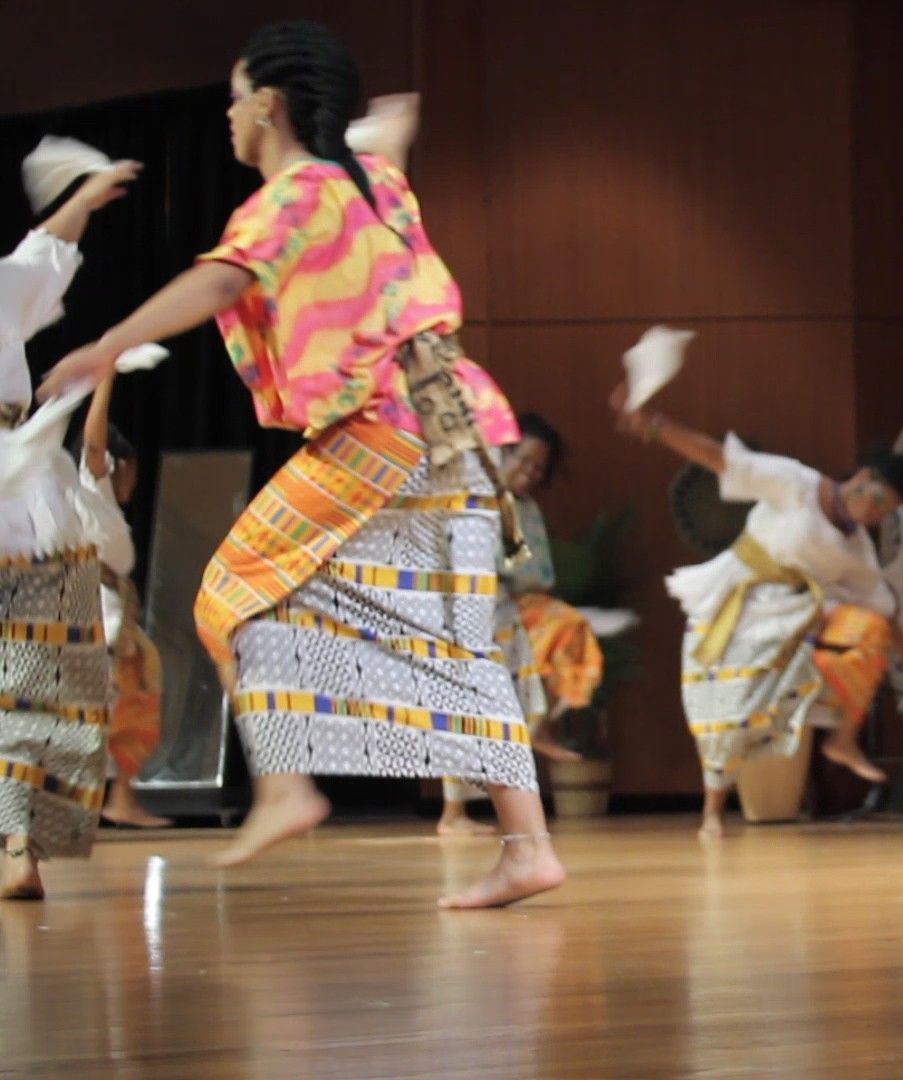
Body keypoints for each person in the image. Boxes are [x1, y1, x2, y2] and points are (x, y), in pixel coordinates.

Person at [38, 22, 562, 907]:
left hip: (382, 428)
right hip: (457, 424)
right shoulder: (375, 184)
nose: (229, 116)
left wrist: (108, 343)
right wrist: (391, 127)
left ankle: (285, 785)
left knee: (233, 590)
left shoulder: (289, 196)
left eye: (238, 96)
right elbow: (380, 149)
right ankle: (528, 847)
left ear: (270, 105)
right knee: (458, 643)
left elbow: (223, 281)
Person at [613, 399, 903, 838]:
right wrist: (657, 426)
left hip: (790, 618)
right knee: (723, 715)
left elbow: (884, 608)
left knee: (866, 630)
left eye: (887, 512)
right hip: (737, 600)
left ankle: (843, 738)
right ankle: (712, 813)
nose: (876, 513)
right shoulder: (796, 483)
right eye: (878, 500)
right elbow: (718, 457)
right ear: (862, 478)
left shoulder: (857, 549)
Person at [1, 153, 142, 899]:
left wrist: (82, 200)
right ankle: (15, 841)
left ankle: (15, 841)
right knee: (23, 676)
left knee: (24, 675)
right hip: (24, 491)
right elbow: (41, 256)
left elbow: (41, 253)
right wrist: (82, 201)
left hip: (21, 484)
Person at [439, 412, 604, 836]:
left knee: (569, 627)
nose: (529, 474)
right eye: (523, 461)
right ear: (501, 453)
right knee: (465, 707)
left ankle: (540, 723)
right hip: (464, 609)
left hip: (511, 607)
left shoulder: (526, 510)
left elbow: (538, 575)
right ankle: (453, 814)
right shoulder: (473, 495)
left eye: (538, 468)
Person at [68, 394, 173, 828]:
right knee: (111, 709)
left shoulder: (102, 509)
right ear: (117, 465)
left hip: (110, 618)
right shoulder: (93, 491)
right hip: (97, 619)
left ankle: (117, 797)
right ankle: (103, 800)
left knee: (128, 705)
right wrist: (106, 374)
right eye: (132, 470)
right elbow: (93, 443)